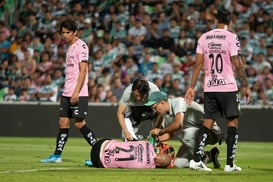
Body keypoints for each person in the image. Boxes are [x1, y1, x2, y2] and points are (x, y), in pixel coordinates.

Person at [184, 8, 252, 172]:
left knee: (208, 122)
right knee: (232, 122)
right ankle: (229, 164)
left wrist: (191, 87)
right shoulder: (232, 37)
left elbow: (198, 65)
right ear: (229, 22)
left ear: (216, 21)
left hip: (210, 87)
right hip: (227, 87)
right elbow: (238, 64)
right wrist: (246, 86)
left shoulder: (204, 37)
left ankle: (196, 160)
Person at [40, 18, 97, 163]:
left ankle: (99, 153)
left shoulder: (81, 47)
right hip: (67, 91)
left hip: (78, 92)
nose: (64, 35)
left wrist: (76, 92)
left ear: (75, 32)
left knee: (79, 123)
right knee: (63, 122)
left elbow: (84, 71)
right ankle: (57, 155)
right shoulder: (69, 47)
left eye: (68, 32)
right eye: (63, 32)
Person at [145, 91, 223, 169]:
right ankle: (210, 155)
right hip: (195, 135)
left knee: (184, 134)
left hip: (212, 131)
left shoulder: (178, 102)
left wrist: (160, 131)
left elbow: (178, 124)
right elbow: (170, 134)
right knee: (178, 163)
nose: (154, 110)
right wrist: (157, 139)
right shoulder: (167, 116)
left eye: (155, 107)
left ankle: (200, 159)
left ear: (162, 102)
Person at [90, 138, 171, 169]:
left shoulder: (148, 144)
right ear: (158, 165)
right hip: (99, 161)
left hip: (101, 144)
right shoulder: (149, 166)